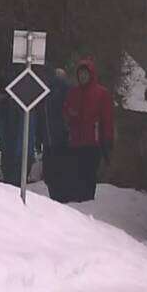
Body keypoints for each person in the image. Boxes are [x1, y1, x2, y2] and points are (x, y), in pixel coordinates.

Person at [63, 58, 114, 202]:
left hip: (93, 142)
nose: (83, 76)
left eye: (85, 74)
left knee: (89, 174)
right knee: (76, 174)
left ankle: (87, 202)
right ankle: (78, 202)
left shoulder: (101, 93)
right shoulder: (74, 92)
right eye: (81, 74)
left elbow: (107, 119)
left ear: (91, 75)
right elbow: (66, 111)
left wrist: (107, 140)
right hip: (75, 141)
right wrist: (70, 115)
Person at [37, 66, 76, 202]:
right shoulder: (66, 89)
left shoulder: (46, 91)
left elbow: (42, 115)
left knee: (52, 172)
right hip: (60, 137)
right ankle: (61, 197)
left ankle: (57, 197)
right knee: (60, 170)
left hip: (51, 138)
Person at [0, 73, 38, 186]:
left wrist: (18, 154)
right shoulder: (7, 106)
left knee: (13, 186)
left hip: (17, 155)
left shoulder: (16, 107)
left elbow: (19, 132)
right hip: (15, 153)